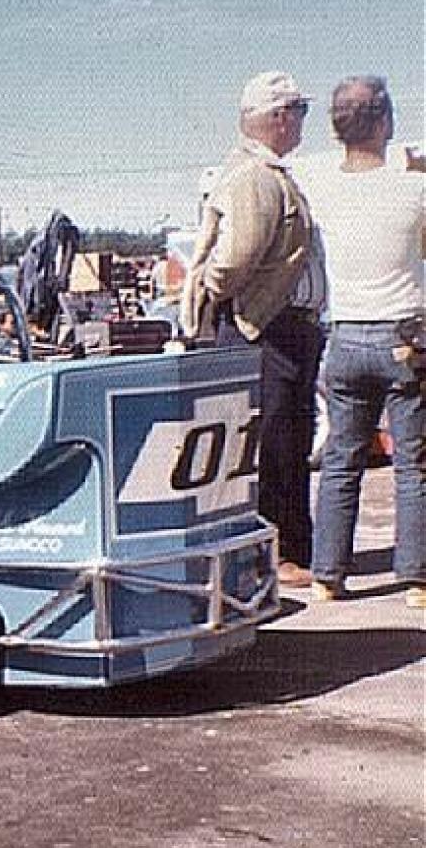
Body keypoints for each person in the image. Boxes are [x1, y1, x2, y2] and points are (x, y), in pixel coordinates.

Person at [184, 72, 325, 587]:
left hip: (279, 329)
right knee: (274, 443)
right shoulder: (255, 176)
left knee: (288, 439)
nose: (303, 122)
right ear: (280, 117)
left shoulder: (264, 173)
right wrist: (217, 288)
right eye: (300, 111)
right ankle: (277, 554)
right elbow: (236, 255)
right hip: (265, 329)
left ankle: (292, 549)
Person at [298, 76, 425, 607]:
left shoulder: (321, 189)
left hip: (345, 336)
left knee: (341, 462)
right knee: (413, 464)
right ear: (385, 122)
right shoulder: (414, 189)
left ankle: (328, 575)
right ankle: (416, 578)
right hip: (405, 335)